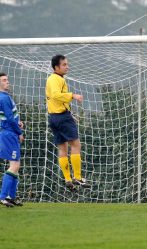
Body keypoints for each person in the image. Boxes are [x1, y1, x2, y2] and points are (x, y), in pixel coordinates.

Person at [46, 55, 90, 191]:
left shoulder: (56, 79)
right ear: (56, 67)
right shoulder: (55, 79)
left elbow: (56, 100)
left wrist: (69, 113)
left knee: (62, 148)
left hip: (54, 117)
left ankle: (68, 179)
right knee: (76, 145)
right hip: (61, 118)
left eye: (67, 64)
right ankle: (77, 177)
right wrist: (73, 95)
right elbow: (55, 95)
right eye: (64, 64)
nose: (67, 66)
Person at [0, 73, 24, 207]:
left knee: (16, 165)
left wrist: (18, 122)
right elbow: (9, 118)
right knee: (14, 165)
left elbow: (11, 117)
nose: (7, 82)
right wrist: (19, 132)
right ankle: (3, 197)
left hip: (10, 132)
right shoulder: (3, 98)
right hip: (9, 134)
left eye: (7, 80)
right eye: (4, 80)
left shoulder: (6, 96)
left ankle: (11, 197)